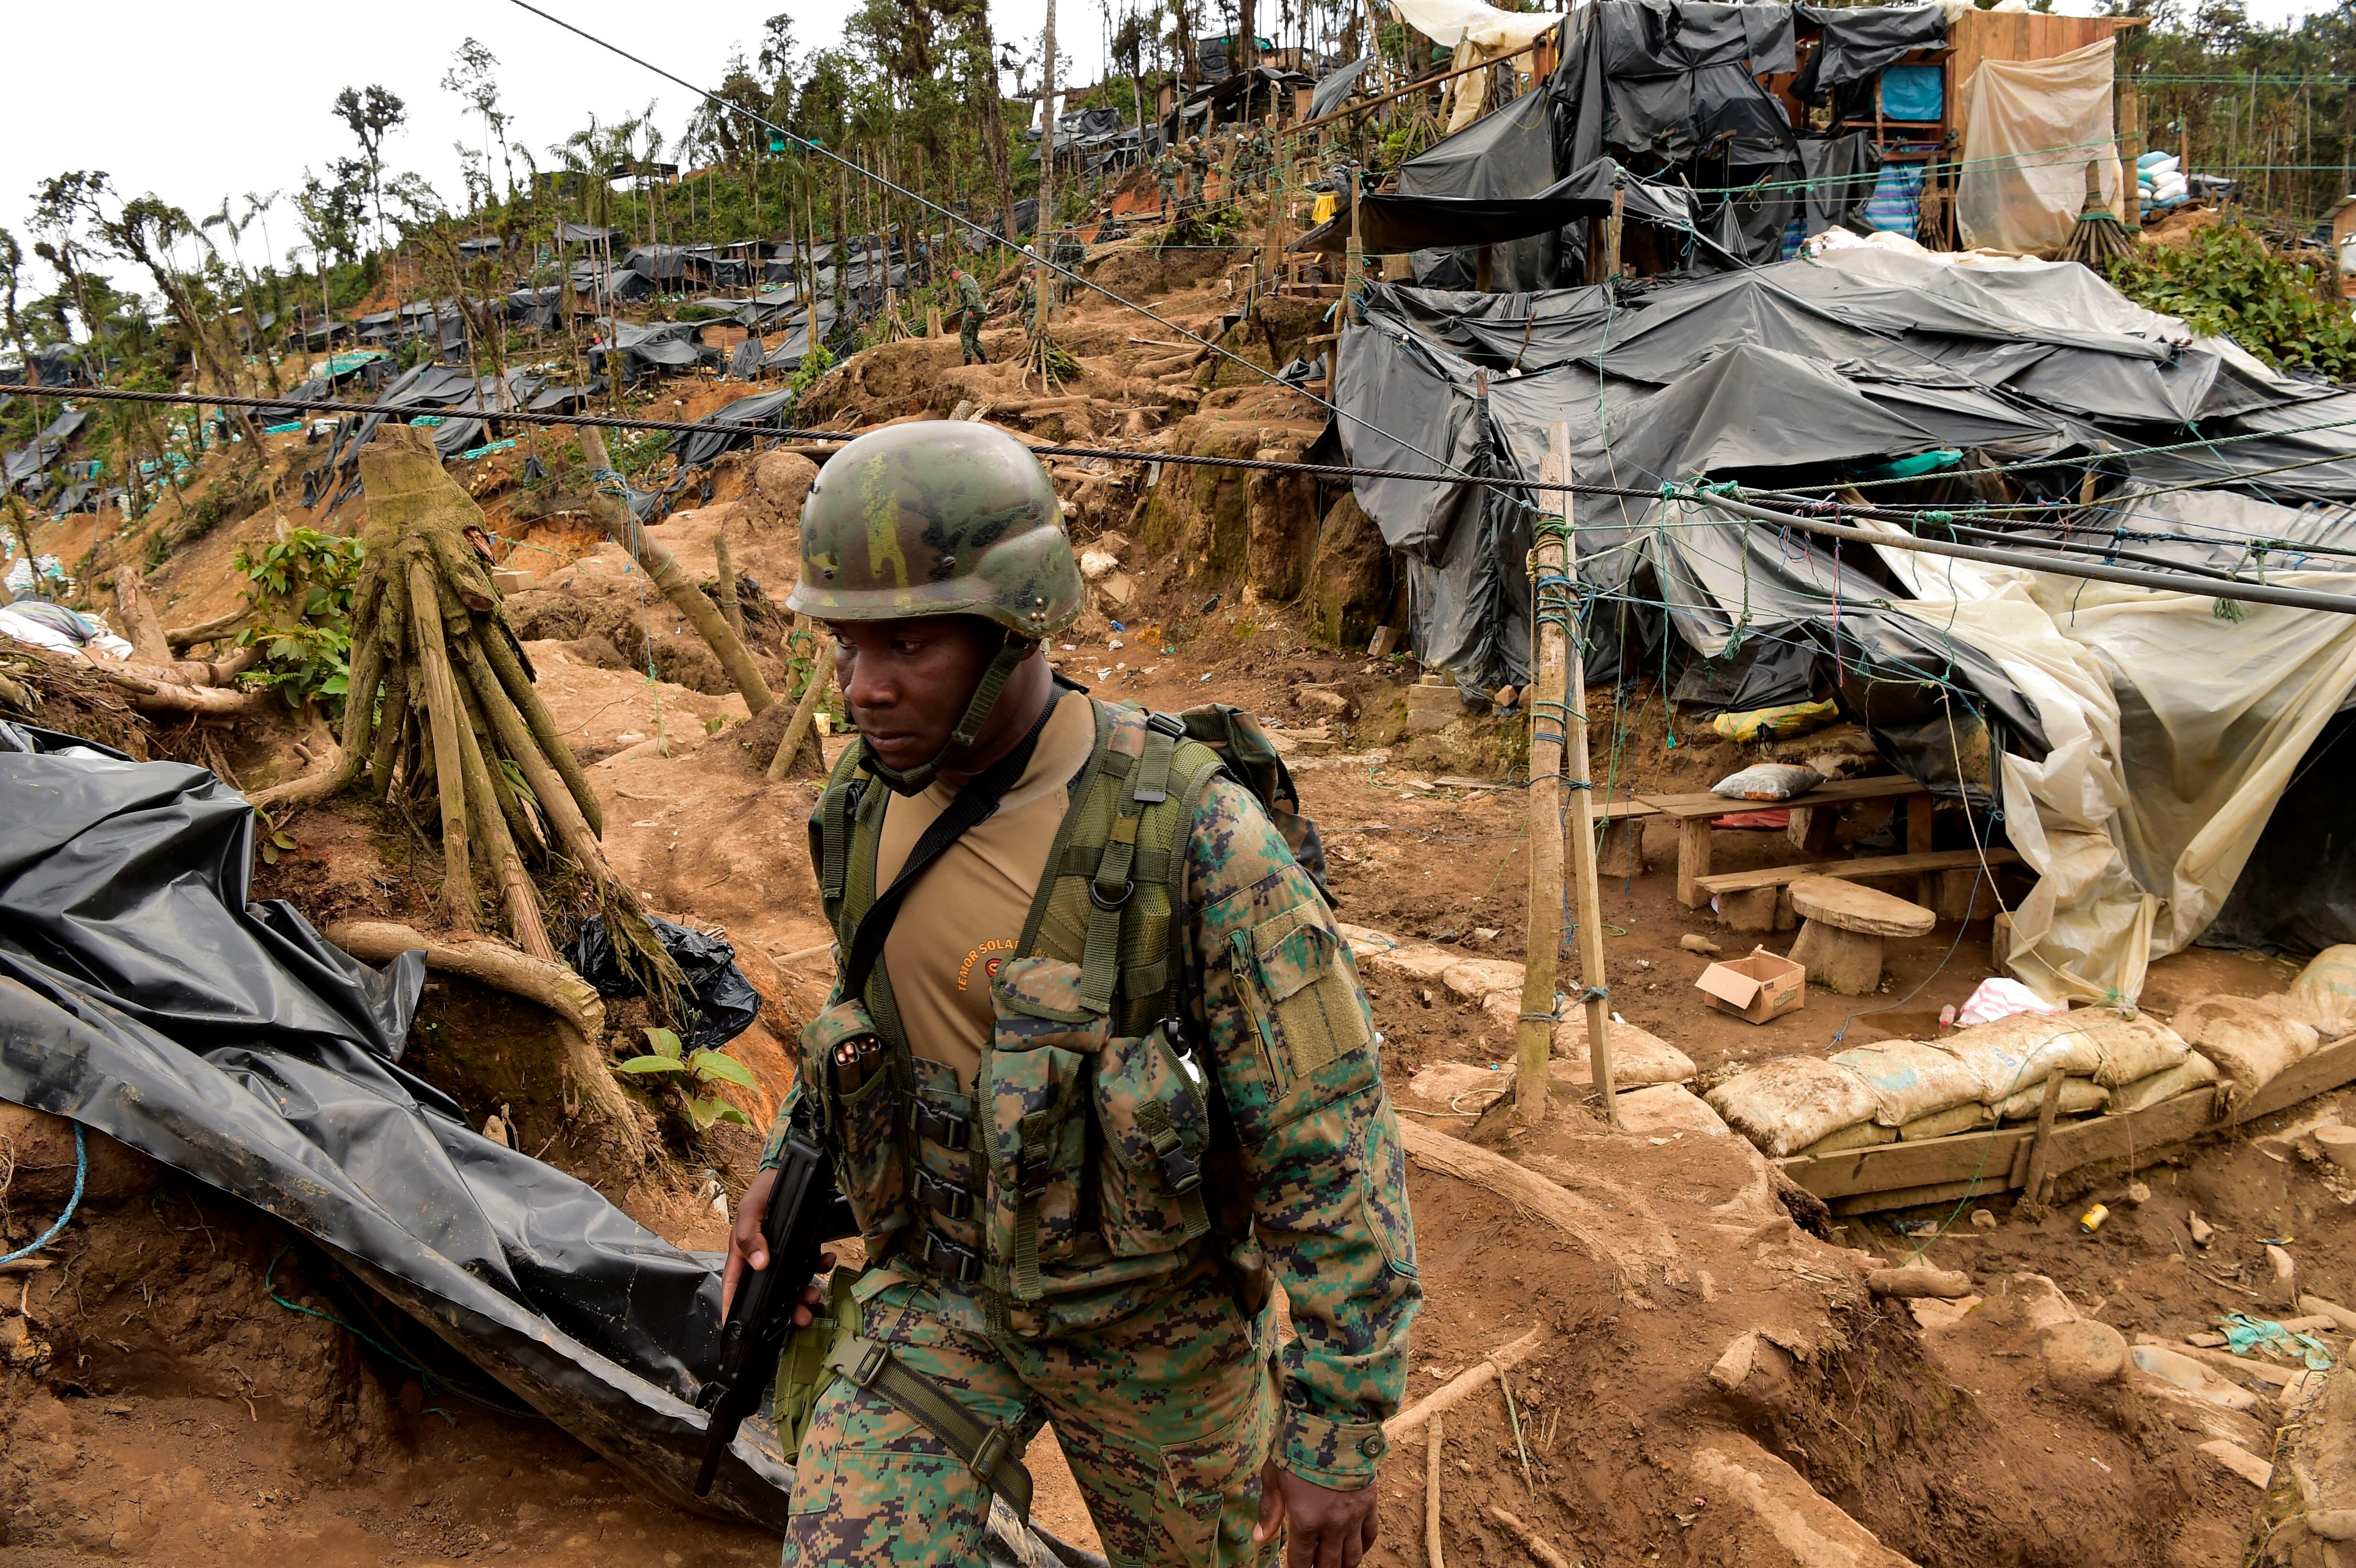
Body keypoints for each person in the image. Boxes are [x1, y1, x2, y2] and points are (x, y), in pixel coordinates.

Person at [725, 420, 1419, 1568]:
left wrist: (1337, 1430)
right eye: (844, 647)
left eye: (905, 646)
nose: (862, 688)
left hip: (1153, 1327)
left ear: (1012, 628)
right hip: (943, 1296)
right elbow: (880, 1023)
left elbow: (1330, 1148)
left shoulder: (1196, 839)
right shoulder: (857, 809)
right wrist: (789, 1159)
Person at [951, 267, 989, 365]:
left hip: (974, 311)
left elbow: (970, 293)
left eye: (952, 277)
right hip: (981, 310)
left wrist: (970, 309)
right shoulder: (969, 278)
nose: (953, 280)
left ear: (955, 273)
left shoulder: (963, 279)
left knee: (965, 335)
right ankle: (984, 359)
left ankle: (968, 361)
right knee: (973, 337)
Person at [1153, 142, 1182, 218]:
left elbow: (1183, 168)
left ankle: (1177, 214)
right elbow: (1155, 170)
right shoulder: (1162, 160)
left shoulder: (1176, 161)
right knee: (1164, 199)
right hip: (1164, 182)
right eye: (1170, 152)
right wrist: (1154, 176)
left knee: (1175, 198)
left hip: (1172, 181)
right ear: (1166, 151)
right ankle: (1163, 214)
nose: (1171, 153)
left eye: (1172, 152)